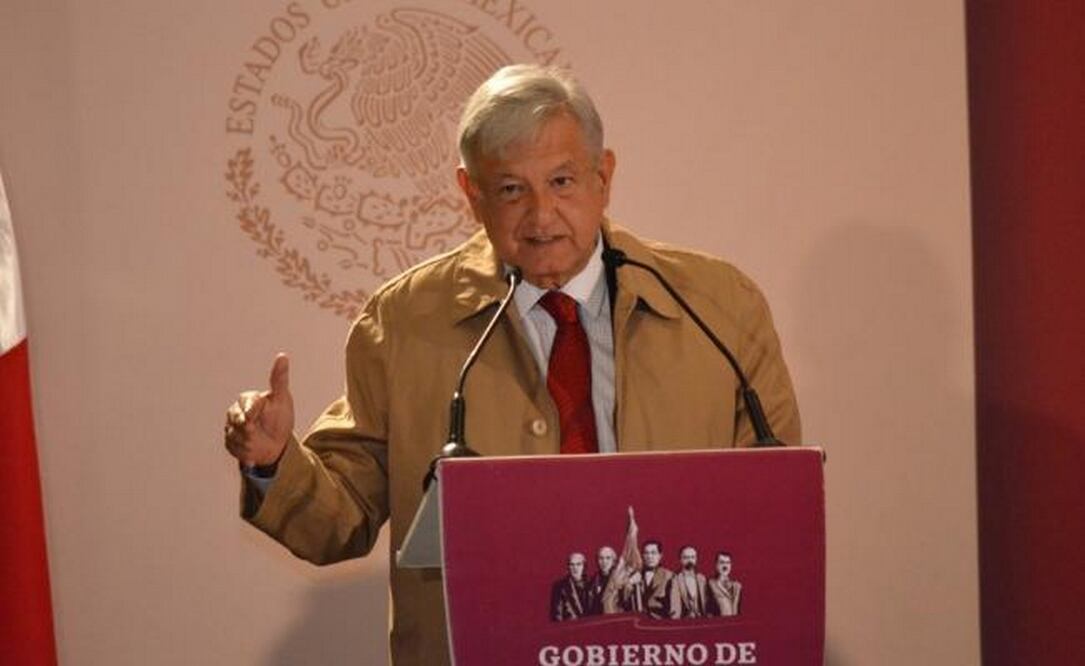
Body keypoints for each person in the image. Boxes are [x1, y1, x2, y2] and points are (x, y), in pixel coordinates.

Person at [222, 64, 800, 665]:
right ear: (471, 194)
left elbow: (775, 511)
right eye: (511, 190)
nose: (542, 215)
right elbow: (340, 519)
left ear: (604, 177)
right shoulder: (405, 322)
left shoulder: (717, 307)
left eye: (562, 181)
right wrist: (275, 464)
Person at [625, 540, 675, 618]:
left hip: (660, 623)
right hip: (638, 622)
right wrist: (630, 583)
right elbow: (624, 601)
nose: (649, 556)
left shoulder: (669, 576)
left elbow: (674, 608)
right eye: (646, 553)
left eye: (653, 553)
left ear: (660, 555)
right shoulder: (635, 575)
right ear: (642, 555)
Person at [670, 545, 708, 618]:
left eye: (692, 557)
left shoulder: (702, 579)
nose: (690, 560)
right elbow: (674, 604)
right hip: (684, 620)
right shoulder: (676, 579)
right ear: (680, 559)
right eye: (686, 557)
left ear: (696, 559)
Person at [551, 552, 591, 621]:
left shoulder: (591, 583)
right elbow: (557, 614)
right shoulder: (560, 586)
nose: (575, 568)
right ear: (568, 567)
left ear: (584, 566)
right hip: (570, 628)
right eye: (572, 564)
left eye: (578, 564)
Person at [706, 551, 743, 617]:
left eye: (728, 563)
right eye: (722, 562)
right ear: (716, 565)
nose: (725, 566)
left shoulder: (737, 586)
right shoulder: (710, 584)